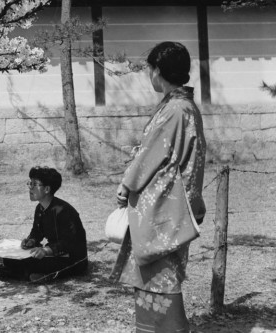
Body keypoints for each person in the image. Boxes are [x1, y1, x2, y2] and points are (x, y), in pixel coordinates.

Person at [110, 41, 207, 333]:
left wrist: (126, 185)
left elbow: (151, 153)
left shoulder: (175, 109)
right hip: (171, 201)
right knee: (156, 273)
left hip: (163, 205)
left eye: (150, 68)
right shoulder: (183, 106)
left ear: (158, 71)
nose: (148, 74)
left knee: (161, 273)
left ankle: (170, 329)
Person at [0, 166, 88, 283]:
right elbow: (37, 232)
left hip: (72, 259)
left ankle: (43, 274)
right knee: (8, 259)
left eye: (35, 184)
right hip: (53, 254)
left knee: (31, 264)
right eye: (30, 183)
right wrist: (31, 241)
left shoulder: (64, 211)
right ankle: (31, 274)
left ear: (47, 189)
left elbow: (69, 243)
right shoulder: (40, 208)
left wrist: (46, 250)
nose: (30, 188)